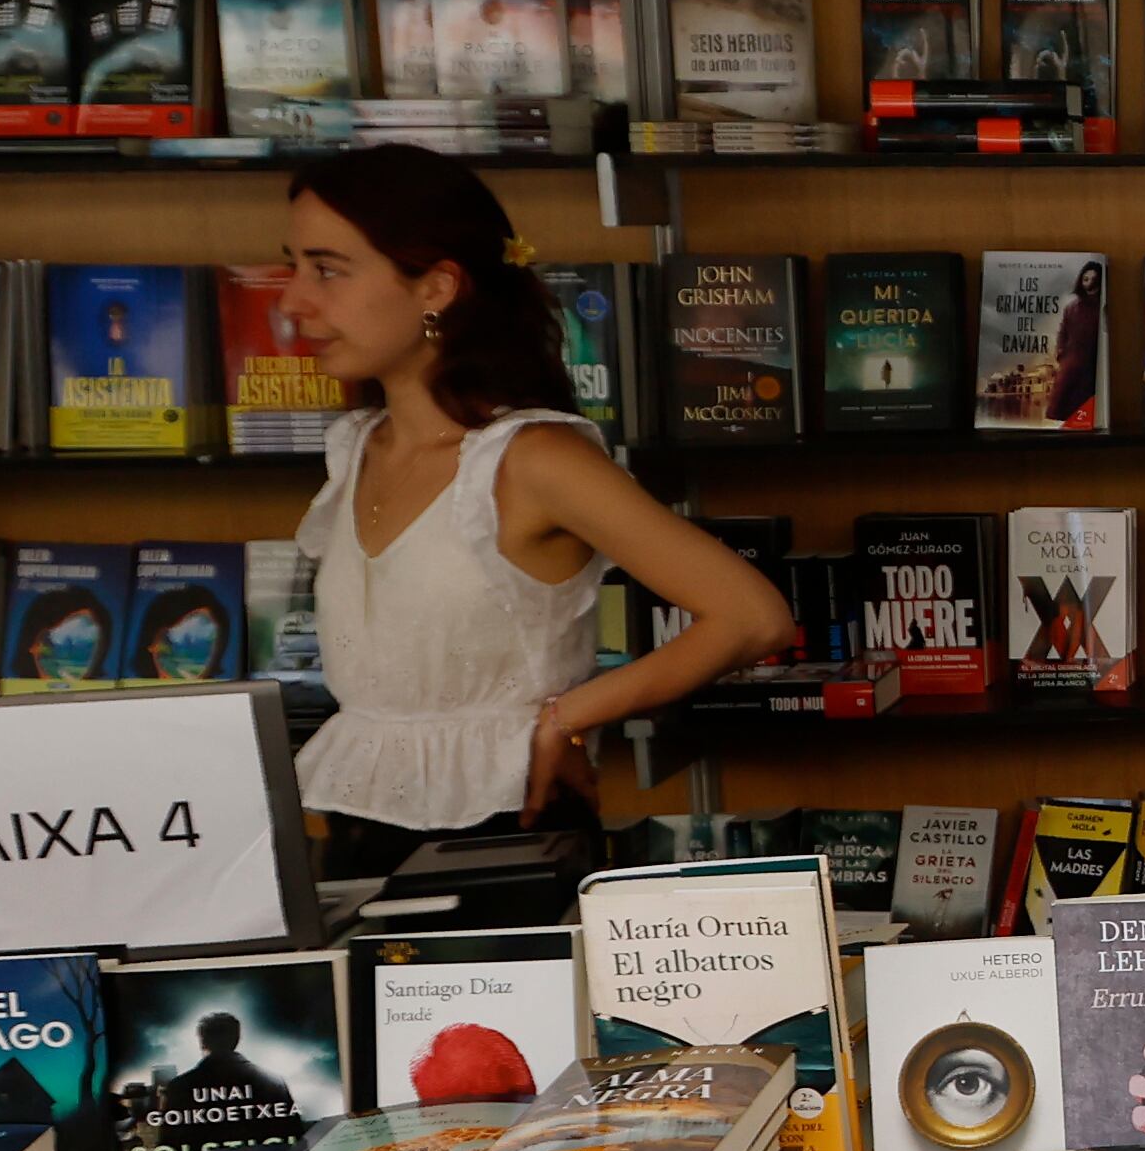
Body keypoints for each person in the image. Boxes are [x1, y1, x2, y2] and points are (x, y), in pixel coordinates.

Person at [276, 148, 795, 877]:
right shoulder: (356, 447)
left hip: (506, 839)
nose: (292, 303)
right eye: (294, 265)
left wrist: (568, 715)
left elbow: (751, 615)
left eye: (327, 270)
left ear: (436, 286)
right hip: (355, 841)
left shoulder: (530, 458)